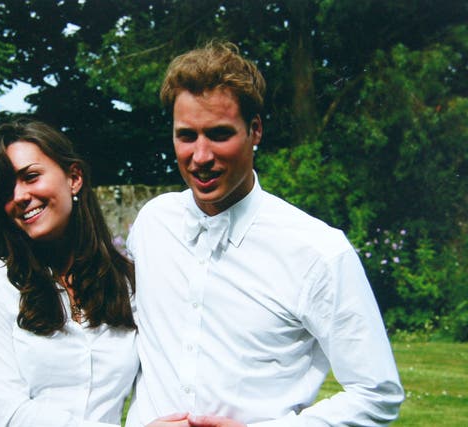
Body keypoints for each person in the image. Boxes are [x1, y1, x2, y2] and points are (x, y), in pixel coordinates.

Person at [125, 42, 404, 427]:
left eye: (220, 134)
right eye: (186, 136)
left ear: (255, 130)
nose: (201, 156)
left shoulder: (318, 252)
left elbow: (378, 393)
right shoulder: (153, 223)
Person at [0, 118, 138, 426]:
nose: (19, 196)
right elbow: (10, 413)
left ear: (74, 178)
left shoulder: (127, 284)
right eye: (7, 188)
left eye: (30, 177)